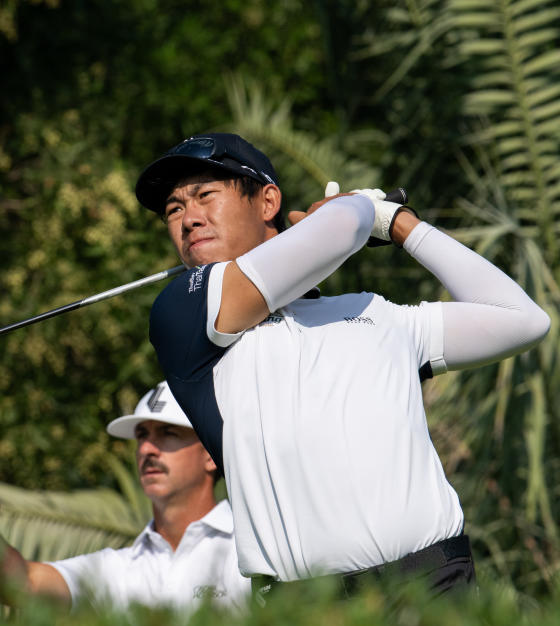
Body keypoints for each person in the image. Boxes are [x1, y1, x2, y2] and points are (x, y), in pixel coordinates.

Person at [136, 133, 551, 596]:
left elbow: (522, 320)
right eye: (174, 210)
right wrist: (360, 210)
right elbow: (340, 230)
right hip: (311, 606)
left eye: (205, 195)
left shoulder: (376, 312)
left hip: (436, 582)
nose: (189, 218)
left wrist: (400, 225)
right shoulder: (184, 315)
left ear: (267, 200)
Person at [0, 381, 250, 612]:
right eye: (142, 436)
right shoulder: (118, 568)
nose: (146, 449)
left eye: (168, 433)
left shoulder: (255, 547)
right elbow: (22, 585)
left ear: (211, 453)